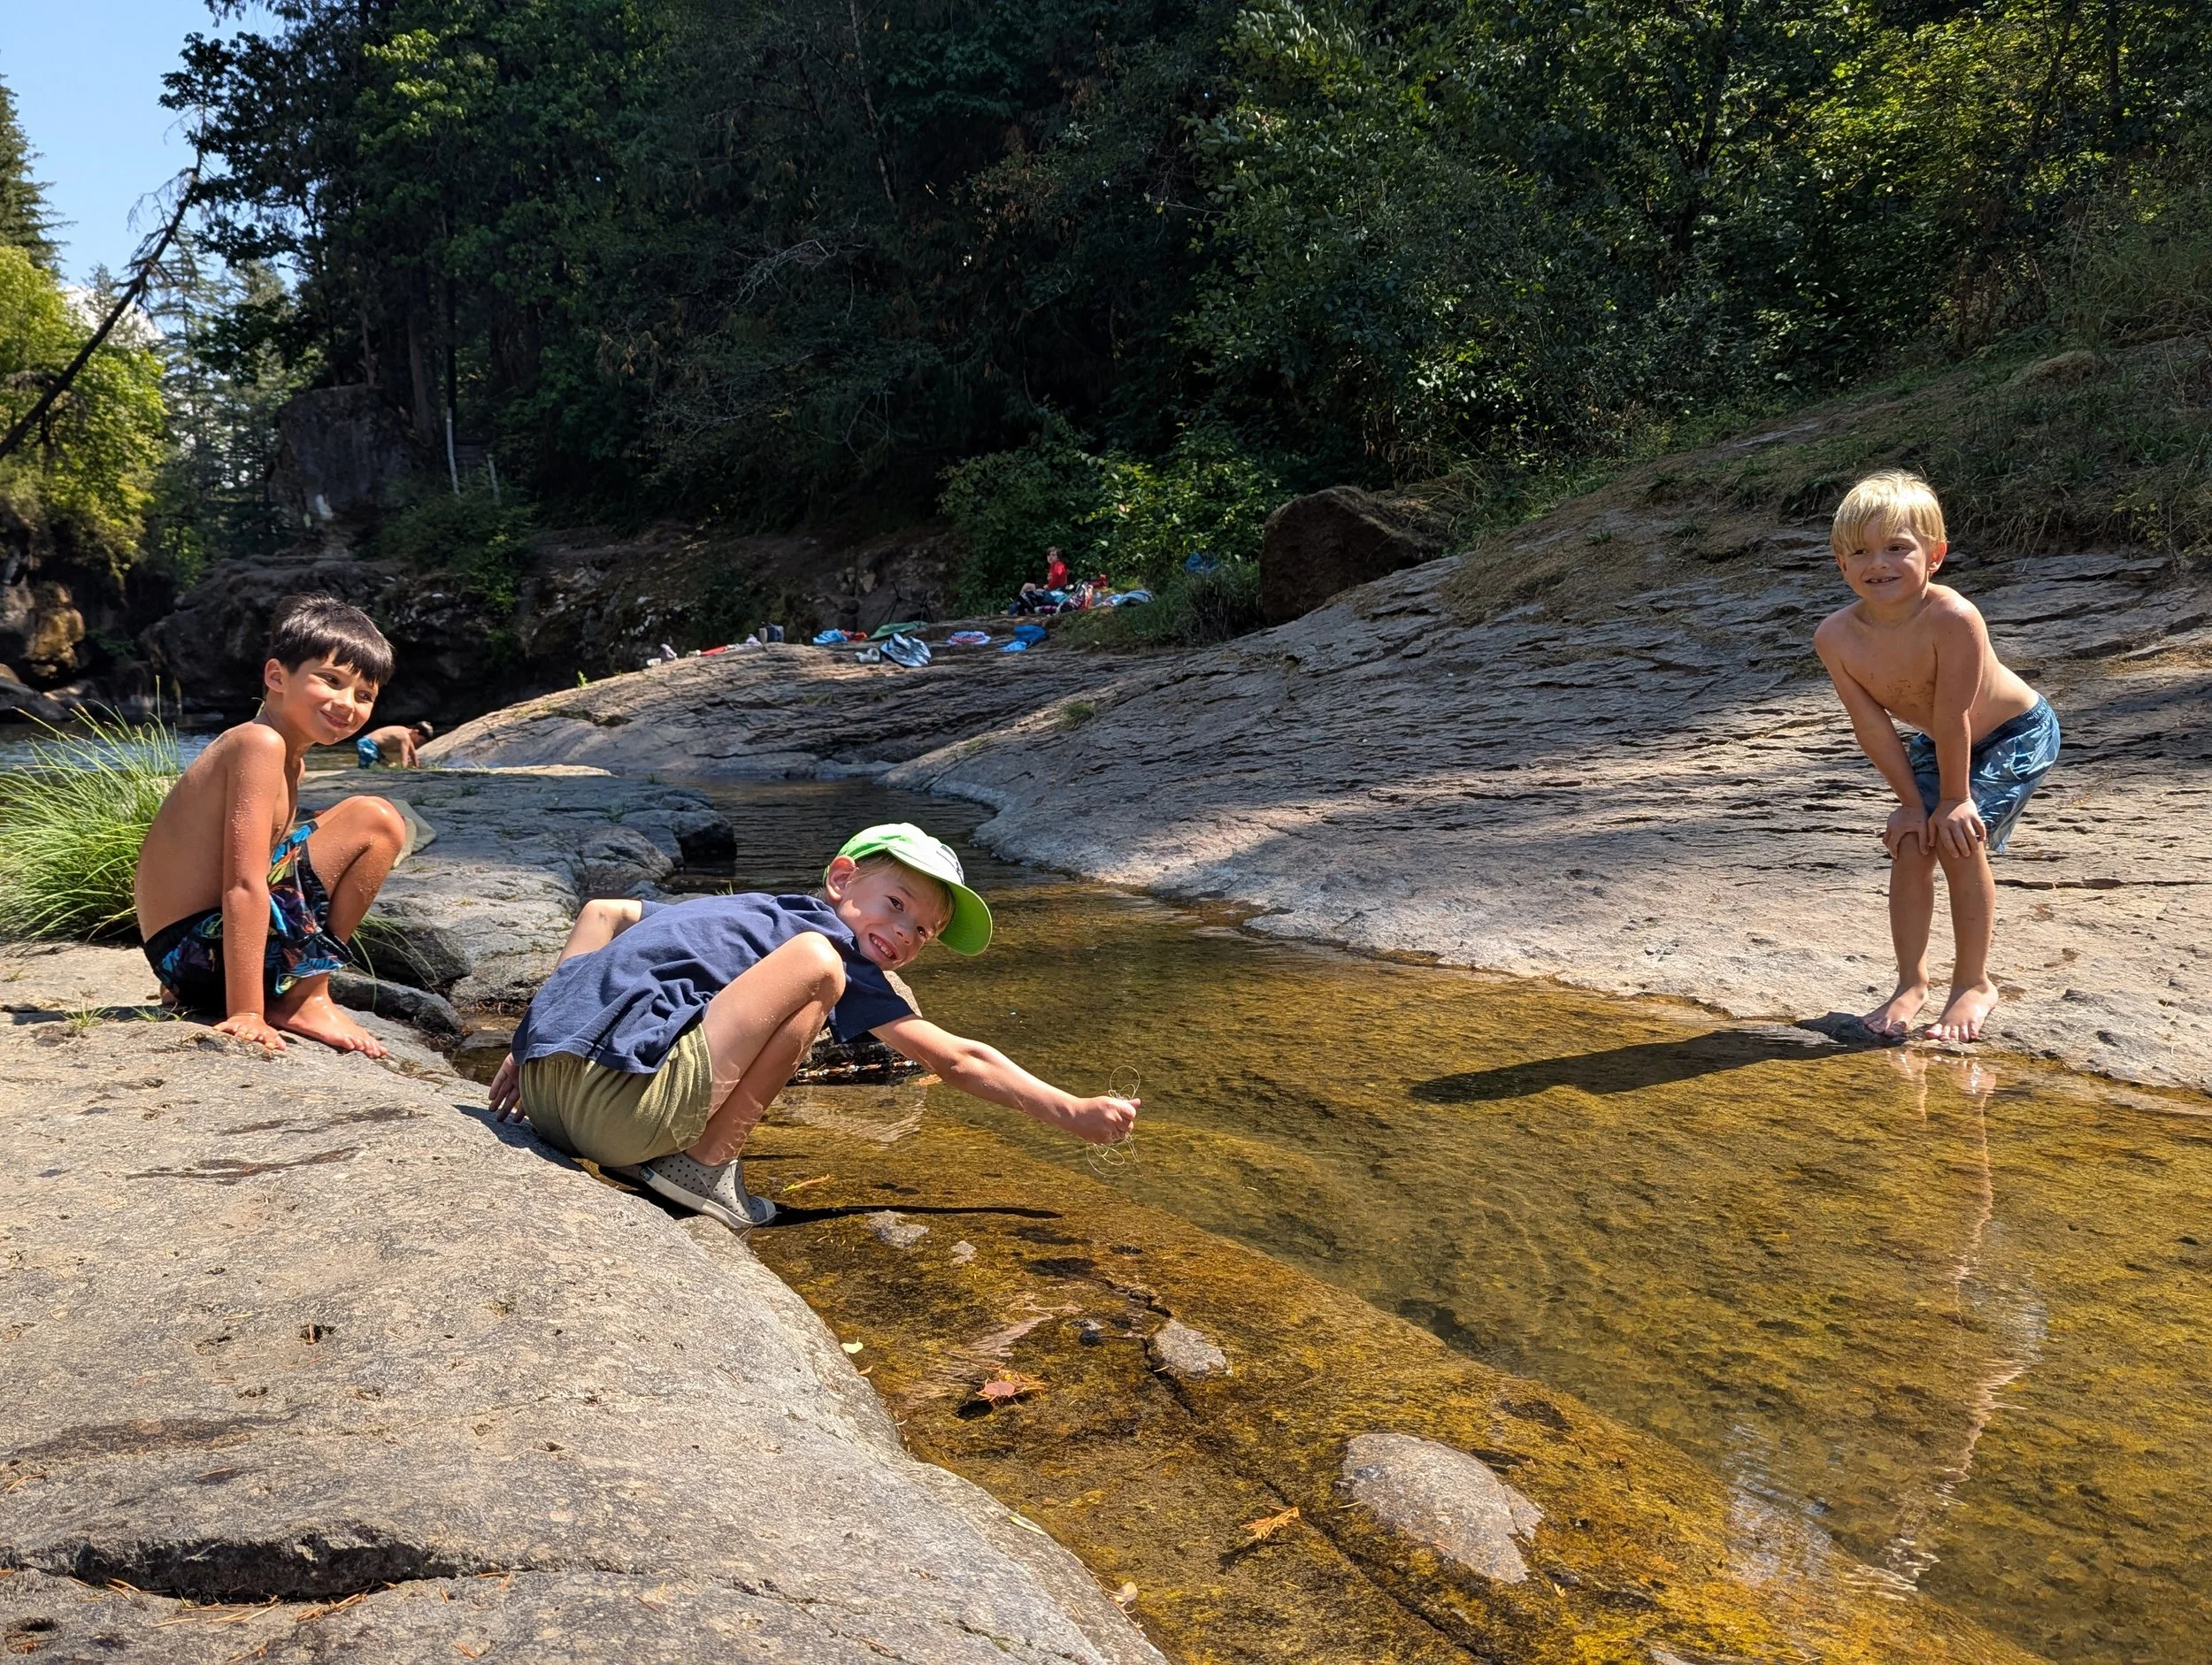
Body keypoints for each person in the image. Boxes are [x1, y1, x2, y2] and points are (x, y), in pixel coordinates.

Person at [487, 824, 1139, 1228]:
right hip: (618, 1119)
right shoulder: (827, 943)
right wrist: (1069, 1111)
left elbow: (603, 912)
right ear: (840, 880)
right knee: (815, 974)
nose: (904, 935)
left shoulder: (746, 911)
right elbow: (958, 1060)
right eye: (895, 904)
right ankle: (701, 1169)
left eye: (924, 932)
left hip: (543, 1101)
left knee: (789, 980)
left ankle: (657, 1157)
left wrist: (533, 1040)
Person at [1813, 472, 2061, 1043]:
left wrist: (1953, 800)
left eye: (1897, 547)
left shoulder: (1953, 617)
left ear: (1935, 555)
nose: (1879, 563)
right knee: (1909, 841)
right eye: (1860, 552)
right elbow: (1871, 724)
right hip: (1941, 740)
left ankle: (1973, 983)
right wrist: (1908, 804)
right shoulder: (1836, 636)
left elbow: (1956, 716)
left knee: (1957, 838)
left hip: (2014, 733)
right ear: (1840, 564)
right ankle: (1910, 984)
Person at [134, 595, 409, 1056]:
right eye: (331, 681)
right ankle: (304, 996)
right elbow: (244, 884)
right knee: (377, 821)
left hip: (190, 962)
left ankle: (280, 991)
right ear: (277, 676)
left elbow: (267, 868)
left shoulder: (288, 760)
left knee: (353, 819)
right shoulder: (258, 743)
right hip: (199, 953)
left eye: (364, 696)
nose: (347, 704)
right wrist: (246, 1013)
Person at [357, 718, 434, 768]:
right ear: (416, 732)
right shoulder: (405, 737)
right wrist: (404, 773)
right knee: (367, 768)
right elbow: (404, 759)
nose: (419, 744)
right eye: (420, 740)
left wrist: (416, 768)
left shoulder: (406, 733)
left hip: (374, 747)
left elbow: (413, 754)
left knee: (383, 766)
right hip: (367, 744)